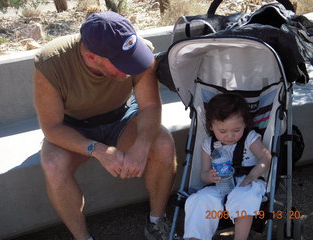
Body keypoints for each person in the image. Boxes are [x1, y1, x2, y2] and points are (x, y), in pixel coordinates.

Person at [33, 11, 177, 240]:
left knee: (162, 143)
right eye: (122, 63)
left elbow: (150, 107)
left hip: (122, 117)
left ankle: (156, 222)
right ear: (91, 57)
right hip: (74, 127)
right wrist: (98, 150)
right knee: (53, 163)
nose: (132, 67)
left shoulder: (140, 54)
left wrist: (141, 146)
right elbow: (52, 128)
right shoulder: (52, 63)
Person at [184, 93, 272, 240]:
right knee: (199, 200)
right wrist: (209, 176)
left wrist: (252, 176)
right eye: (223, 131)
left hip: (246, 182)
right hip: (220, 185)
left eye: (236, 130)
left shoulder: (250, 138)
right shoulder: (208, 145)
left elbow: (266, 157)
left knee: (244, 197)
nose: (230, 136)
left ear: (245, 124)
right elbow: (204, 175)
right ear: (211, 127)